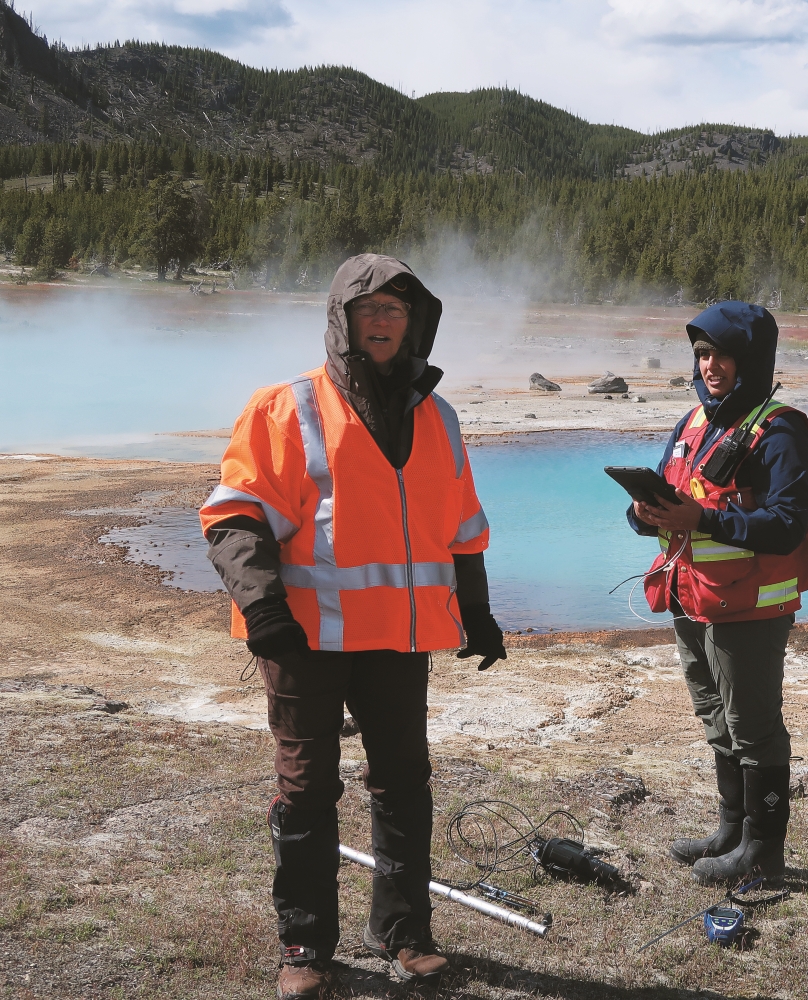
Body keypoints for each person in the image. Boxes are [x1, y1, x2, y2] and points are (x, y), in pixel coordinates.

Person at [199, 254, 508, 1000]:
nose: (383, 321)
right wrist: (265, 609)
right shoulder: (286, 406)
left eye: (397, 311)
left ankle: (405, 933)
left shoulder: (438, 414)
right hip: (303, 639)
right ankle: (305, 944)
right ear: (342, 319)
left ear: (416, 325)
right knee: (307, 790)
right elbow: (234, 515)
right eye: (369, 308)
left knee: (405, 782)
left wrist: (477, 611)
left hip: (399, 640)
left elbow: (461, 525)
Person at [627, 301, 808, 888]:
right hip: (692, 594)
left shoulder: (781, 427)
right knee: (715, 714)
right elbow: (673, 503)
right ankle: (731, 831)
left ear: (751, 359)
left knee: (754, 725)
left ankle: (763, 855)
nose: (711, 366)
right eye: (703, 354)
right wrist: (641, 513)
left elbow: (788, 522)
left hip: (751, 605)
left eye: (723, 354)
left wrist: (701, 520)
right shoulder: (692, 423)